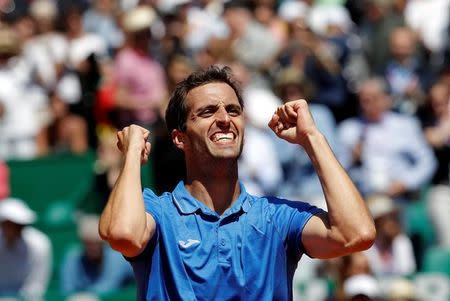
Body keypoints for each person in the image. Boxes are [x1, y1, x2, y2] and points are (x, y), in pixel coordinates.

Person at [99, 66, 375, 300]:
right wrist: (132, 155)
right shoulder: (158, 212)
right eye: (207, 112)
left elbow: (356, 234)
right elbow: (124, 234)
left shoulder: (275, 217)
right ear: (179, 138)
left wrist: (312, 138)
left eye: (233, 110)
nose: (224, 119)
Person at [60, 214, 133, 295]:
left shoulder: (117, 258)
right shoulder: (73, 259)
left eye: (97, 243)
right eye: (88, 243)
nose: (93, 247)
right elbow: (67, 291)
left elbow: (109, 287)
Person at [0, 198, 52, 298]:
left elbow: (36, 286)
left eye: (20, 225)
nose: (18, 228)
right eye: (11, 224)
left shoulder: (40, 244)